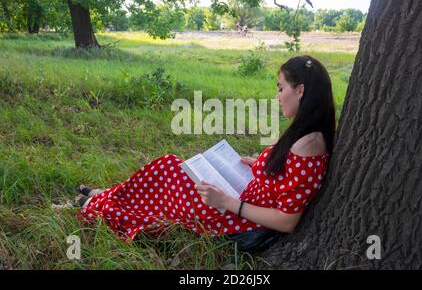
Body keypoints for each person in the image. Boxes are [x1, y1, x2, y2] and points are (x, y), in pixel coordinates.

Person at [76, 55, 336, 253]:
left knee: (171, 182)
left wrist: (226, 202)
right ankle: (112, 195)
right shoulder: (305, 132)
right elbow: (288, 178)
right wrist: (260, 165)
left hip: (242, 220)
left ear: (300, 90)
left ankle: (108, 206)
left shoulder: (309, 144)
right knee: (171, 168)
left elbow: (287, 221)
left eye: (281, 88)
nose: (278, 96)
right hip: (243, 197)